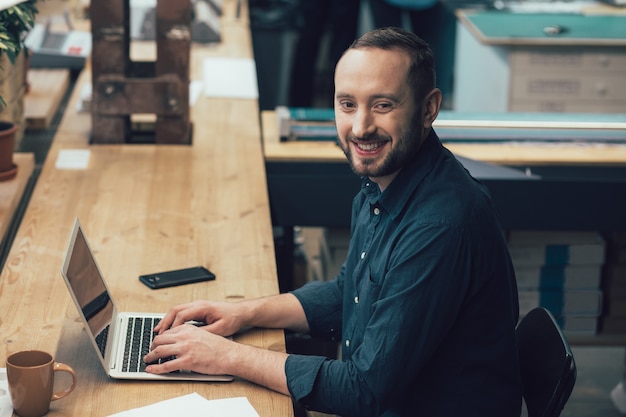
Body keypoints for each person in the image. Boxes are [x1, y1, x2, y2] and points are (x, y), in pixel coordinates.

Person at [144, 27, 522, 417]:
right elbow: (350, 292)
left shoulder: (440, 226)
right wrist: (243, 313)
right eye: (347, 104)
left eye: (383, 105)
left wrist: (228, 357)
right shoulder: (383, 183)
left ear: (429, 109)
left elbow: (364, 392)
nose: (360, 127)